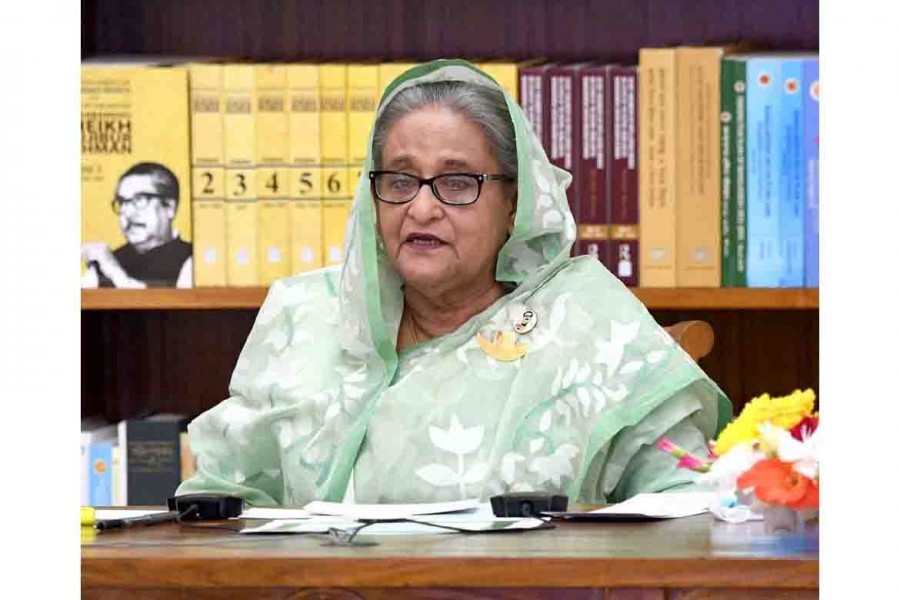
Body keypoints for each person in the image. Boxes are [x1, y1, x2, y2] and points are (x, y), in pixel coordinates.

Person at [176, 59, 731, 506]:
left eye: (457, 182)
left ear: (514, 203)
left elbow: (685, 498)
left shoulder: (586, 320)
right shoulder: (306, 314)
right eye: (400, 180)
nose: (421, 208)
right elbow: (218, 496)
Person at [81, 161, 193, 288]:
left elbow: (170, 301)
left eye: (140, 200)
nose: (128, 212)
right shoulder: (104, 264)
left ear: (169, 207)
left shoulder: (193, 260)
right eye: (123, 202)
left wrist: (115, 273)